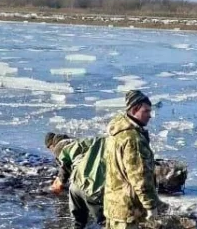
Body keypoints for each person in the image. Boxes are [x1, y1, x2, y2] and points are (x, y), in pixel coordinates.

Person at [103, 90, 167, 229]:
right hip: (128, 209)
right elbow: (139, 177)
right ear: (134, 109)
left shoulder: (116, 132)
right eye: (146, 111)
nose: (150, 115)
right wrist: (150, 206)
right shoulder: (133, 139)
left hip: (113, 203)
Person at [45, 132, 106, 229]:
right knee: (105, 222)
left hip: (75, 188)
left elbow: (64, 170)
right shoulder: (84, 144)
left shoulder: (61, 149)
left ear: (52, 145)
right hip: (89, 186)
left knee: (78, 223)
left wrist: (57, 185)